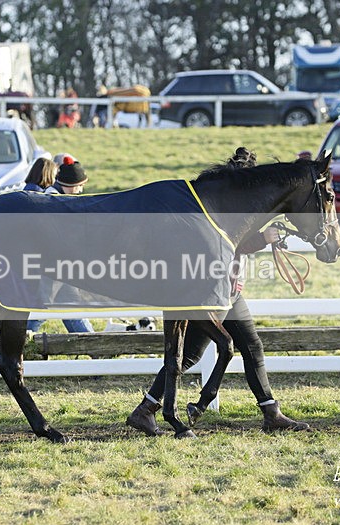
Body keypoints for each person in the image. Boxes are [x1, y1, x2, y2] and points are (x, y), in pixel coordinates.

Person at [126, 147, 310, 436]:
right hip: (215, 288)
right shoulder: (230, 207)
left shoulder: (237, 204)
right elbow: (227, 245)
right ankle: (153, 408)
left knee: (229, 350)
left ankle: (149, 408)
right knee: (207, 352)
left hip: (228, 290)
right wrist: (262, 238)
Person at [25, 154, 95, 334]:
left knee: (72, 308)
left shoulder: (57, 197)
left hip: (62, 264)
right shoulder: (53, 200)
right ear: (70, 185)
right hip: (52, 264)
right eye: (79, 186)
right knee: (42, 308)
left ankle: (94, 345)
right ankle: (20, 342)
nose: (80, 191)